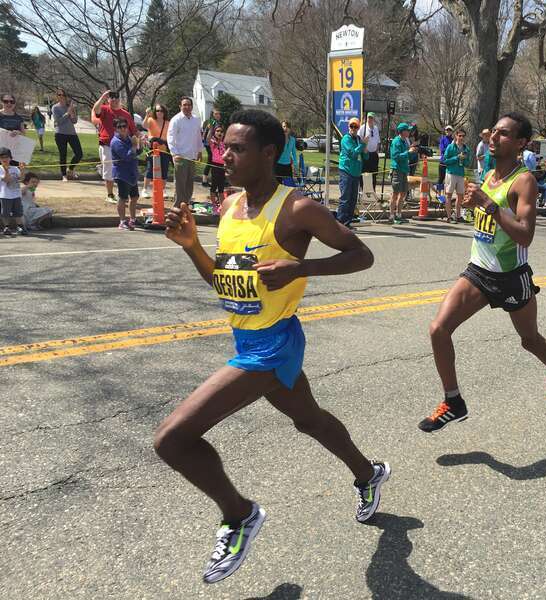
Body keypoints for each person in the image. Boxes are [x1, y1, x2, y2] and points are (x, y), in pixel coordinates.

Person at [154, 109, 390, 584]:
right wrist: (193, 247)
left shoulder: (297, 208)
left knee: (172, 440)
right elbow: (225, 283)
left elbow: (361, 255)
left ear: (269, 153)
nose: (225, 156)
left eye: (237, 148)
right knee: (309, 420)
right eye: (224, 147)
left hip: (274, 345)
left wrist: (300, 269)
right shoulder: (228, 209)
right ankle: (369, 473)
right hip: (247, 338)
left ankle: (239, 514)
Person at [417, 113, 546, 433]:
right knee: (438, 329)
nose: (493, 138)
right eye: (493, 132)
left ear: (520, 143)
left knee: (529, 340)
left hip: (511, 276)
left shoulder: (524, 181)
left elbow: (525, 234)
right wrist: (476, 203)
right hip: (478, 271)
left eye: (503, 134)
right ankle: (453, 401)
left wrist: (488, 205)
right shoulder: (489, 174)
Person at [92, 90, 136, 202]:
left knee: (123, 170)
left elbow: (133, 130)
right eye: (112, 97)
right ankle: (110, 195)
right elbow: (96, 109)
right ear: (108, 99)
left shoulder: (126, 114)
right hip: (107, 145)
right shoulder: (105, 109)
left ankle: (123, 194)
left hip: (123, 146)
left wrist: (141, 138)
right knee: (109, 170)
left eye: (116, 97)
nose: (114, 100)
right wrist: (102, 97)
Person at [166, 96, 204, 208]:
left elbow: (198, 136)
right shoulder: (176, 120)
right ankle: (178, 206)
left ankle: (186, 204)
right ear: (180, 106)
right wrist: (174, 153)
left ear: (192, 106)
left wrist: (200, 151)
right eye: (184, 105)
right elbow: (170, 137)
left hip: (192, 156)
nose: (187, 107)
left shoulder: (196, 119)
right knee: (180, 183)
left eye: (189, 105)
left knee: (189, 183)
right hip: (180, 156)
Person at [110, 117, 142, 230]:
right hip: (122, 174)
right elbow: (127, 156)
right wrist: (133, 146)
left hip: (132, 173)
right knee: (123, 198)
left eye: (125, 126)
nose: (123, 129)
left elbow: (137, 152)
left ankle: (133, 219)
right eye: (120, 127)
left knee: (134, 197)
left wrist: (140, 143)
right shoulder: (115, 142)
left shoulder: (128, 138)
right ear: (116, 129)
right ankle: (122, 221)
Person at [337, 117, 367, 228]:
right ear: (348, 127)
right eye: (352, 126)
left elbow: (365, 156)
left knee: (353, 199)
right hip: (346, 171)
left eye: (356, 126)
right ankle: (340, 223)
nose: (353, 128)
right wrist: (363, 145)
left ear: (359, 127)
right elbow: (352, 154)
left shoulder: (359, 139)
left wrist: (365, 150)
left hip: (356, 172)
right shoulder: (346, 139)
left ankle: (347, 222)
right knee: (345, 198)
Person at [51, 89, 83, 182]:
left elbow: (74, 121)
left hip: (72, 133)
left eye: (62, 95)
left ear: (66, 96)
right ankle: (64, 175)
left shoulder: (70, 107)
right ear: (57, 96)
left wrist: (72, 113)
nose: (61, 96)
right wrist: (67, 113)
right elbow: (58, 122)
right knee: (63, 155)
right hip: (60, 134)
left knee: (79, 154)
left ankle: (71, 169)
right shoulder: (55, 108)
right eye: (59, 95)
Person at [389, 122, 417, 224]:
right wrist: (408, 152)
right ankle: (392, 216)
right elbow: (395, 157)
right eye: (407, 130)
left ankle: (399, 214)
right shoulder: (396, 141)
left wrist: (413, 152)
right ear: (402, 131)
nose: (409, 132)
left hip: (404, 170)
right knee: (395, 194)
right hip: (397, 170)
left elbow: (407, 157)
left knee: (403, 193)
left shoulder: (405, 141)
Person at [142, 104, 171, 199]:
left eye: (161, 111)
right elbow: (144, 126)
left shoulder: (168, 122)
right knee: (150, 169)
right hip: (152, 149)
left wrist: (164, 142)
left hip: (164, 149)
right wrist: (147, 114)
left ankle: (163, 190)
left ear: (164, 112)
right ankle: (145, 189)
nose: (159, 113)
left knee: (164, 170)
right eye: (157, 111)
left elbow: (170, 136)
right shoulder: (151, 120)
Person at [442, 128, 470, 223]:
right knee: (448, 195)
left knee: (460, 196)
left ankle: (458, 216)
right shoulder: (451, 147)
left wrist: (465, 159)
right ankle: (449, 217)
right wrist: (456, 157)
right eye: (460, 135)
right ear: (456, 136)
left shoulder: (466, 148)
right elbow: (445, 160)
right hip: (451, 173)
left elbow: (467, 163)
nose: (461, 137)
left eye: (463, 136)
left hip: (461, 174)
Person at [0, 147, 25, 235]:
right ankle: (6, 227)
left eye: (6, 157)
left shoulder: (15, 168)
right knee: (5, 213)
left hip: (16, 194)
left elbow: (21, 179)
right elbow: (7, 180)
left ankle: (20, 226)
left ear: (10, 158)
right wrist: (6, 170)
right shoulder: (0, 169)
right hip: (5, 195)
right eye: (2, 157)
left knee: (18, 212)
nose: (4, 159)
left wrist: (22, 171)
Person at [357, 112, 380, 188]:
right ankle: (363, 191)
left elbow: (378, 141)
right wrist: (364, 149)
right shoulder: (363, 128)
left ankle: (372, 191)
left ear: (374, 119)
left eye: (371, 118)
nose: (370, 119)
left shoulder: (376, 128)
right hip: (365, 154)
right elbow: (359, 140)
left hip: (374, 155)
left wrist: (376, 151)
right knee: (364, 174)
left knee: (373, 174)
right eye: (368, 118)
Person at [201, 109, 223, 187]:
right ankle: (204, 180)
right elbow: (208, 134)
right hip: (209, 144)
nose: (218, 115)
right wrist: (211, 142)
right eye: (216, 114)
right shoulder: (212, 122)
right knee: (210, 161)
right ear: (212, 115)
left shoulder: (215, 122)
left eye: (219, 114)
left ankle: (210, 179)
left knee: (212, 161)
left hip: (212, 143)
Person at [208, 124, 226, 211]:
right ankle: (214, 205)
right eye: (217, 131)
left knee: (221, 187)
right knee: (214, 186)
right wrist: (210, 129)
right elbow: (208, 138)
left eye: (221, 131)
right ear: (214, 132)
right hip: (215, 166)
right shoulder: (212, 141)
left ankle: (222, 206)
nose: (219, 133)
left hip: (223, 167)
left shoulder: (225, 143)